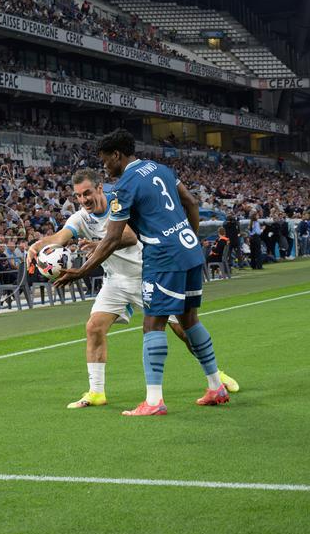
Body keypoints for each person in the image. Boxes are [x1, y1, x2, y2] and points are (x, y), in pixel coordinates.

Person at [28, 168, 237, 409]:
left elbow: (128, 237)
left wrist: (98, 244)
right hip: (115, 281)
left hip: (145, 276)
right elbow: (61, 236)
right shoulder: (80, 218)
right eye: (78, 196)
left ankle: (215, 375)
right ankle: (96, 392)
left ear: (99, 188)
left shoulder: (118, 205)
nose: (84, 200)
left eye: (87, 193)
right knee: (94, 327)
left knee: (182, 329)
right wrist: (36, 246)